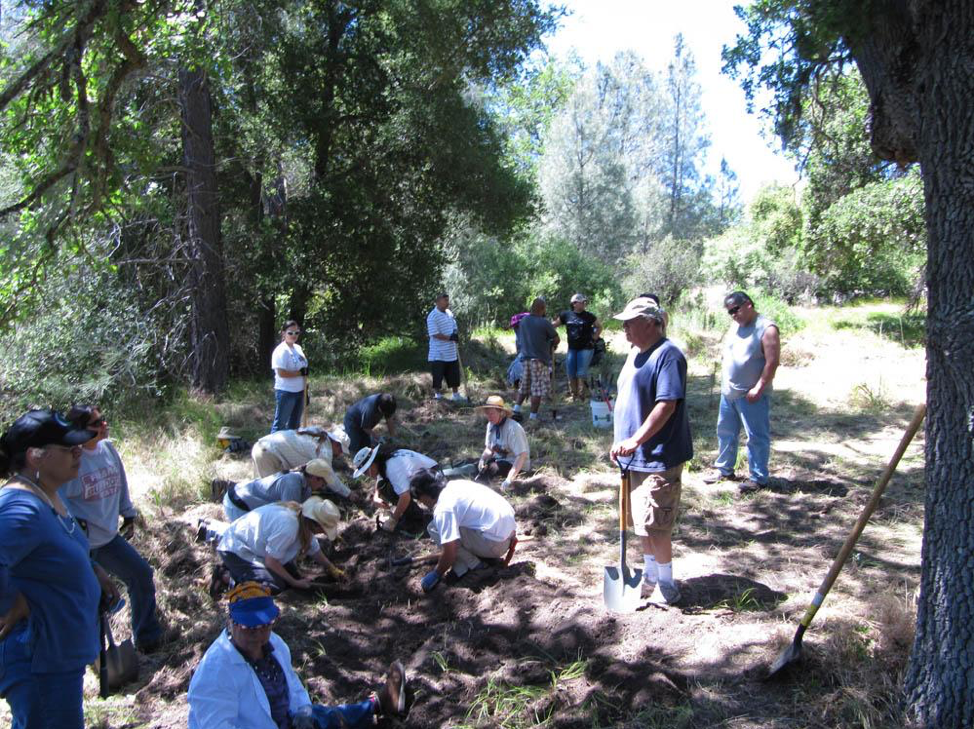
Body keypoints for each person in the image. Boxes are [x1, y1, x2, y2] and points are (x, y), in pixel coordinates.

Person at [0, 409, 120, 729]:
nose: (79, 452)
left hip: (58, 659)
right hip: (38, 662)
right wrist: (16, 602)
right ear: (35, 457)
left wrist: (91, 568)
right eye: (69, 449)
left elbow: (53, 548)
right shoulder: (19, 506)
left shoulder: (47, 496)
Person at [187, 581, 407, 729]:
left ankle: (378, 704)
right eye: (248, 627)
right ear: (231, 623)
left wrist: (303, 711)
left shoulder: (274, 645)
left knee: (323, 716)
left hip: (287, 721)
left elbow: (292, 685)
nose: (257, 633)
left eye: (264, 626)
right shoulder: (215, 672)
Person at [60, 405, 167, 653]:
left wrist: (128, 513)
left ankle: (147, 636)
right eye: (96, 424)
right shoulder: (72, 462)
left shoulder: (107, 449)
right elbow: (61, 506)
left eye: (104, 420)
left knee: (141, 575)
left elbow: (120, 481)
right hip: (84, 547)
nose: (104, 425)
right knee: (93, 600)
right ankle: (94, 655)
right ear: (78, 431)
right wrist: (77, 545)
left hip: (109, 539)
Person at [610, 296, 693, 605]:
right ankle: (650, 574)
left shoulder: (668, 355)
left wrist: (636, 440)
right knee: (641, 521)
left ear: (649, 323)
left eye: (629, 324)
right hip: (632, 457)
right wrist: (621, 442)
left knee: (657, 522)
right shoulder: (634, 353)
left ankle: (667, 585)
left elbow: (667, 405)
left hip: (658, 455)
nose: (624, 330)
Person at [702, 291, 780, 493]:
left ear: (748, 305)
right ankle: (724, 470)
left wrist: (758, 388)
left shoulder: (767, 329)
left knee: (756, 436)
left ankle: (758, 478)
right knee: (725, 432)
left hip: (751, 395)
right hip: (729, 393)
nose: (733, 314)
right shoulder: (734, 326)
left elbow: (772, 363)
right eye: (729, 312)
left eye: (736, 309)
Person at [409, 468, 517, 593]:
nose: (420, 502)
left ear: (426, 494)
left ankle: (477, 567)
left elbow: (450, 552)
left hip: (495, 544)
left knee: (434, 528)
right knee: (456, 526)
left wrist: (437, 573)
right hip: (508, 535)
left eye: (419, 498)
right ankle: (477, 560)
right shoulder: (456, 484)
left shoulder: (443, 508)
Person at [215, 497, 344, 594]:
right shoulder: (289, 527)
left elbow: (313, 548)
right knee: (275, 586)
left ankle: (240, 570)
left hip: (258, 549)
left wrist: (331, 568)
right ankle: (228, 575)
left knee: (291, 576)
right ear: (315, 523)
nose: (323, 533)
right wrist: (295, 583)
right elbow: (271, 561)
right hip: (236, 549)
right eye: (323, 529)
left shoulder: (302, 519)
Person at [351, 445, 438, 532]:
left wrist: (394, 519)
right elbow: (380, 480)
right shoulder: (384, 462)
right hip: (426, 476)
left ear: (372, 464)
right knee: (383, 486)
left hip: (433, 480)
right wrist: (376, 497)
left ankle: (417, 519)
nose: (366, 475)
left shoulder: (392, 467)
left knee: (391, 490)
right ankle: (412, 514)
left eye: (366, 471)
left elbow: (405, 496)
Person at [223, 459, 343, 522]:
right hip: (237, 504)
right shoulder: (292, 484)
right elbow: (290, 517)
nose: (323, 486)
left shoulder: (306, 487)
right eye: (323, 482)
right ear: (313, 477)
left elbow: (304, 509)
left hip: (244, 498)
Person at [513, 298, 560, 421]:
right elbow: (556, 339)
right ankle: (533, 417)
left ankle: (516, 409)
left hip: (525, 359)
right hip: (539, 360)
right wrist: (551, 344)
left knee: (524, 385)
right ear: (542, 309)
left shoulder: (523, 321)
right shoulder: (544, 322)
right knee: (537, 389)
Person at [251, 425, 350, 481]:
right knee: (271, 490)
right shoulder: (324, 451)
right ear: (336, 444)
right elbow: (330, 477)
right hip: (267, 454)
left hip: (265, 447)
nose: (340, 454)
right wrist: (348, 493)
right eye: (341, 450)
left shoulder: (318, 432)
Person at [552, 293, 602, 401]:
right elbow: (554, 325)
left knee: (581, 372)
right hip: (572, 348)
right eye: (582, 302)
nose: (584, 304)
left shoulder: (589, 316)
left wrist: (593, 339)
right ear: (574, 304)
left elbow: (599, 327)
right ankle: (573, 394)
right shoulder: (566, 315)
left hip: (586, 348)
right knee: (570, 371)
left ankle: (581, 395)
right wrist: (546, 330)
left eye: (585, 302)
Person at [476, 395, 529, 491]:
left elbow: (522, 455)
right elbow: (489, 449)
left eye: (492, 413)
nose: (489, 417)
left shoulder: (513, 428)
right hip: (499, 460)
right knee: (475, 464)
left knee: (492, 468)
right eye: (487, 413)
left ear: (501, 413)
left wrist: (509, 479)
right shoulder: (490, 425)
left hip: (516, 466)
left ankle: (478, 487)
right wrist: (482, 459)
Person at [271, 320, 309, 433]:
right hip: (286, 392)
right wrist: (299, 373)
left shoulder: (298, 348)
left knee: (294, 424)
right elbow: (281, 373)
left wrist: (306, 388)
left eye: (296, 333)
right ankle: (273, 448)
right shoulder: (280, 351)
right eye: (290, 333)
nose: (294, 335)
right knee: (280, 424)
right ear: (283, 333)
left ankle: (290, 448)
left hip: (300, 391)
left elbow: (304, 370)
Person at [427, 292, 464, 402]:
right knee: (438, 374)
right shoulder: (432, 316)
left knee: (454, 373)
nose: (447, 303)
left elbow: (454, 326)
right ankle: (437, 395)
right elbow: (434, 334)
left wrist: (455, 334)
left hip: (451, 351)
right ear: (438, 302)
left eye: (448, 300)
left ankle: (456, 395)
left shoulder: (449, 313)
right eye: (445, 301)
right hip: (438, 352)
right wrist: (450, 338)